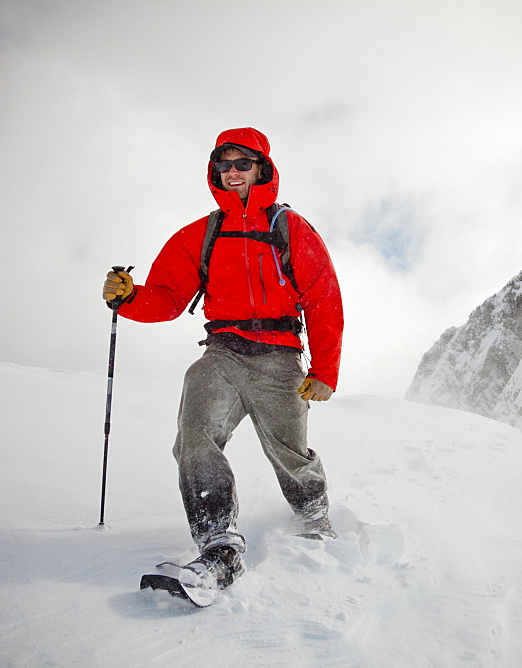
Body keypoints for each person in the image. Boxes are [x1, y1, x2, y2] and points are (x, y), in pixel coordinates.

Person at [102, 127, 343, 592]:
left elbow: (323, 297)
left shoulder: (290, 229)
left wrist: (324, 371)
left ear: (263, 169)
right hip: (223, 353)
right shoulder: (203, 234)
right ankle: (218, 545)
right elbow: (168, 298)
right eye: (224, 166)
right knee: (195, 435)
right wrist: (129, 297)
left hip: (280, 357)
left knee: (289, 452)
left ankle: (314, 519)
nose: (232, 173)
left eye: (242, 164)